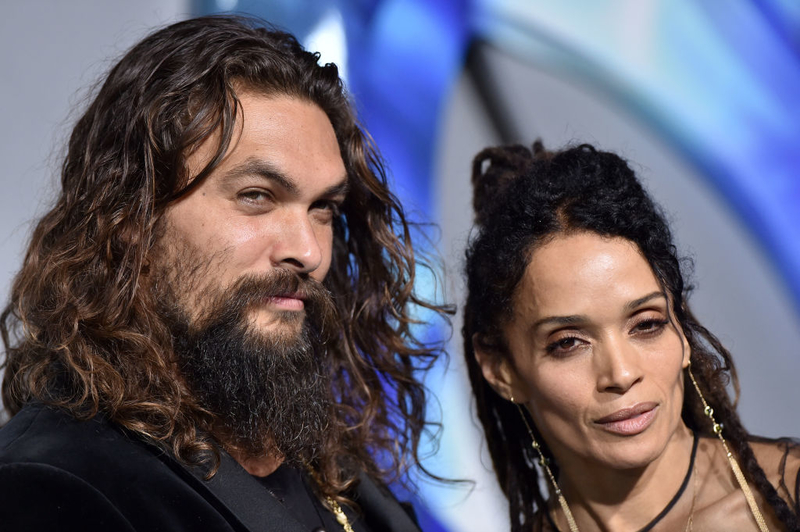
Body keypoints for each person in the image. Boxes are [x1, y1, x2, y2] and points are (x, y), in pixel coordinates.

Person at [0, 15, 450, 532]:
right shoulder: (52, 484)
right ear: (130, 219)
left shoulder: (337, 474)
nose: (307, 251)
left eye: (323, 208)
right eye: (256, 197)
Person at [462, 141, 800, 531]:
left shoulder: (785, 498)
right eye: (568, 342)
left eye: (647, 324)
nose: (621, 374)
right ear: (501, 369)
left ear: (681, 328)